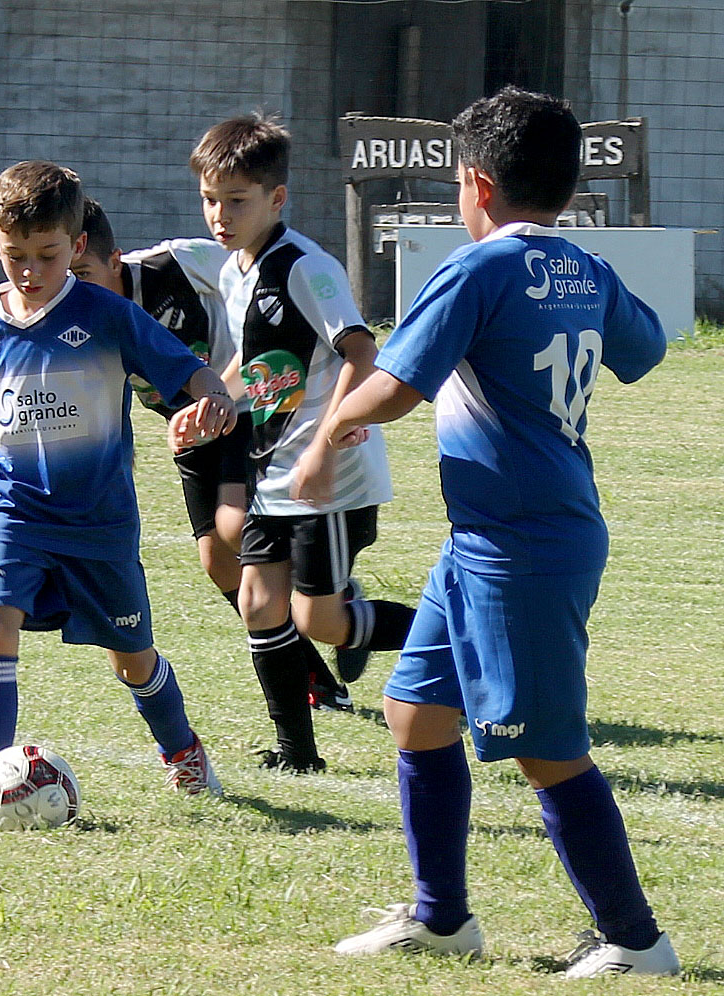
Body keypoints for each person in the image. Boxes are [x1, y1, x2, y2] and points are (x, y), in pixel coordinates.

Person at [326, 88, 679, 977]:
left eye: (455, 183)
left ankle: (636, 942)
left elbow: (399, 383)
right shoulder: (584, 267)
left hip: (523, 545)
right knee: (413, 712)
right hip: (486, 538)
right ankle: (442, 920)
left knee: (545, 749)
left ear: (476, 184)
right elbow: (643, 351)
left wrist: (329, 431)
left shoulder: (475, 267)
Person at [0, 160, 235, 797]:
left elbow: (189, 370)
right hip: (15, 512)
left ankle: (181, 748)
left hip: (98, 522)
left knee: (132, 657)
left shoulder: (107, 315)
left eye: (48, 254)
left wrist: (215, 399)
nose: (31, 272)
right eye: (16, 257)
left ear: (78, 246)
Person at [173, 113, 415, 773]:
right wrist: (209, 403)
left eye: (236, 201)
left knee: (320, 622)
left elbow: (362, 356)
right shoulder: (231, 272)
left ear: (276, 199)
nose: (219, 215)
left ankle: (456, 642)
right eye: (209, 200)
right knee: (257, 602)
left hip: (330, 476)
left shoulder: (307, 267)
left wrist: (322, 449)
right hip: (271, 470)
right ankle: (297, 752)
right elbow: (257, 366)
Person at [71, 197, 354, 713]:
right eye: (66, 276)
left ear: (115, 261)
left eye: (83, 271)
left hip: (243, 407)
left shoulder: (177, 263)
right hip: (190, 427)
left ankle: (326, 591)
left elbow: (259, 285)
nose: (75, 288)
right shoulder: (76, 327)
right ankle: (314, 670)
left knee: (234, 528)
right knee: (218, 563)